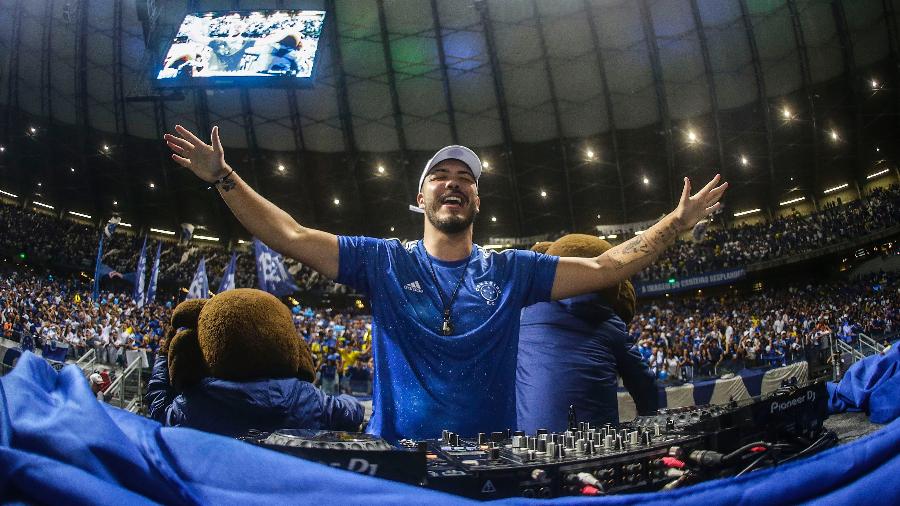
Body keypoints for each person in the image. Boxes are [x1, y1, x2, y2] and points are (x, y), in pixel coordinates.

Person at [164, 125, 727, 441]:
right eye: (440, 176)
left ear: (478, 200)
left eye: (466, 179)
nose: (453, 184)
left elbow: (607, 269)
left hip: (492, 467)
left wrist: (675, 223)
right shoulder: (380, 261)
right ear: (420, 198)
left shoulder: (514, 270)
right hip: (395, 469)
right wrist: (223, 178)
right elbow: (287, 234)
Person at [516, 236, 658, 433]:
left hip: (531, 448)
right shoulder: (611, 324)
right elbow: (645, 385)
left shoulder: (525, 316)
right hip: (598, 448)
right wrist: (650, 424)